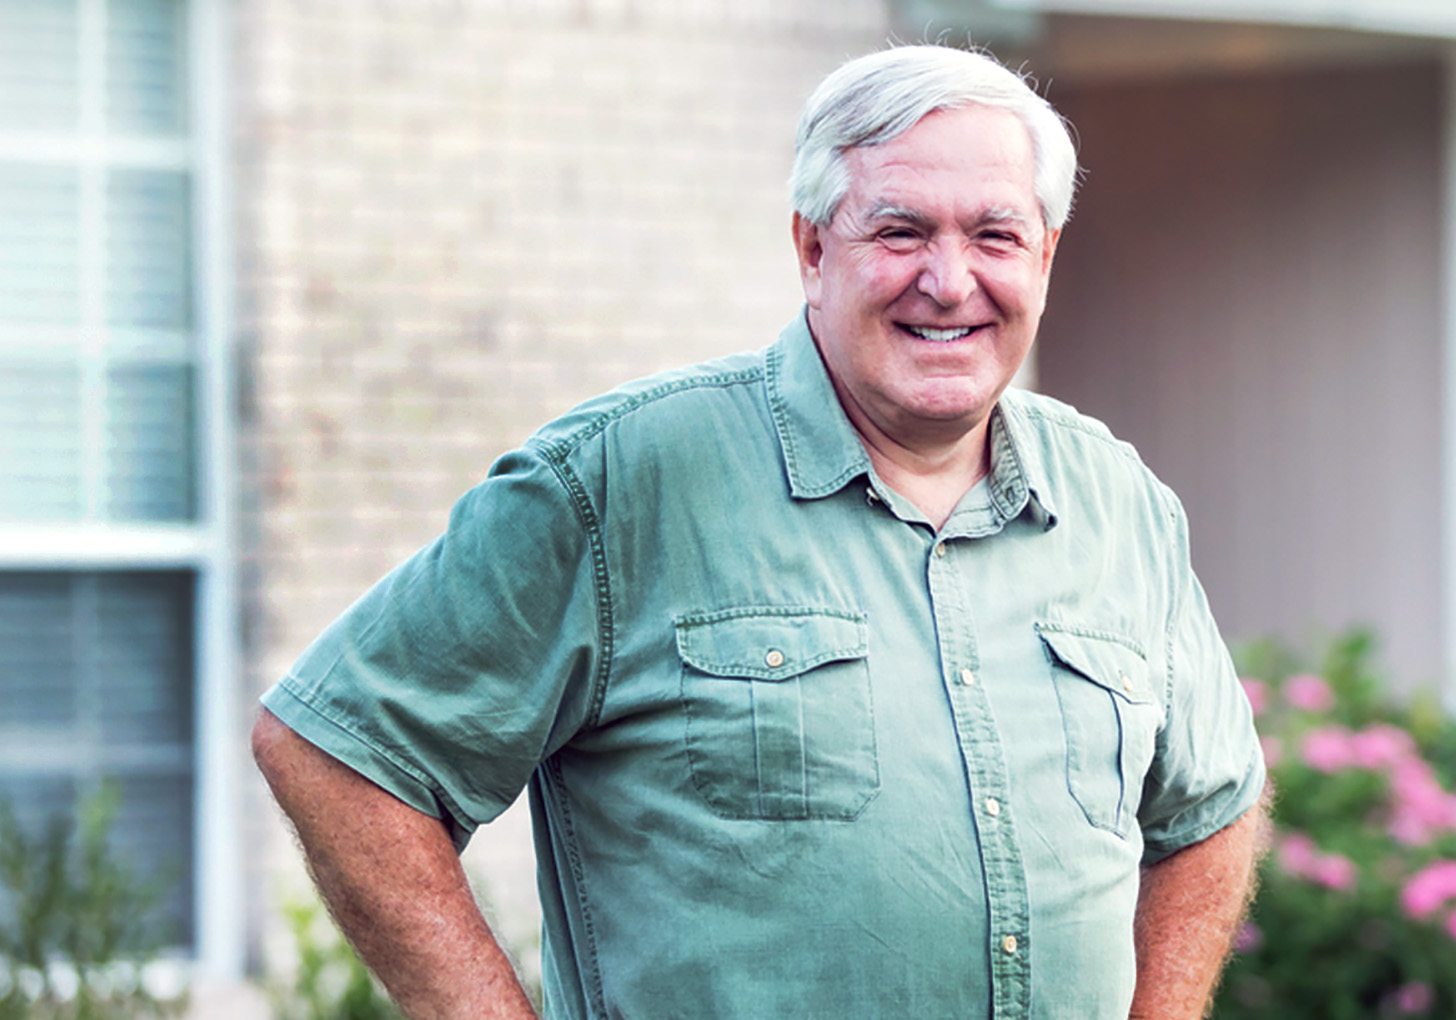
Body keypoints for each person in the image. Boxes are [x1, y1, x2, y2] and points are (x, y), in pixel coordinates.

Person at [252, 45, 1268, 1020]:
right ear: (813, 248)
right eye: (902, 232)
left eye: (995, 237)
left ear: (1044, 256)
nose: (950, 281)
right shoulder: (625, 477)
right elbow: (340, 749)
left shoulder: (1120, 503)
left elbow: (1210, 809)